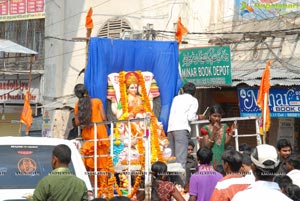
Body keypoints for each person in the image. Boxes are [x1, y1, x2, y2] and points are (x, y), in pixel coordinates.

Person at [74, 83, 110, 195]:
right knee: (102, 163)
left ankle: (93, 190)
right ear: (87, 91)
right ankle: (103, 190)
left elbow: (77, 123)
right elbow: (104, 118)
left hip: (88, 135)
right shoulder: (97, 101)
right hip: (100, 134)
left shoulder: (77, 105)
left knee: (91, 164)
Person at [167, 82, 205, 170]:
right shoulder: (193, 100)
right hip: (181, 129)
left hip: (170, 129)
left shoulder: (176, 98)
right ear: (194, 92)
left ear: (183, 90)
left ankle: (171, 182)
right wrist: (199, 117)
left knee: (171, 159)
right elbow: (191, 117)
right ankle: (180, 183)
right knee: (180, 161)